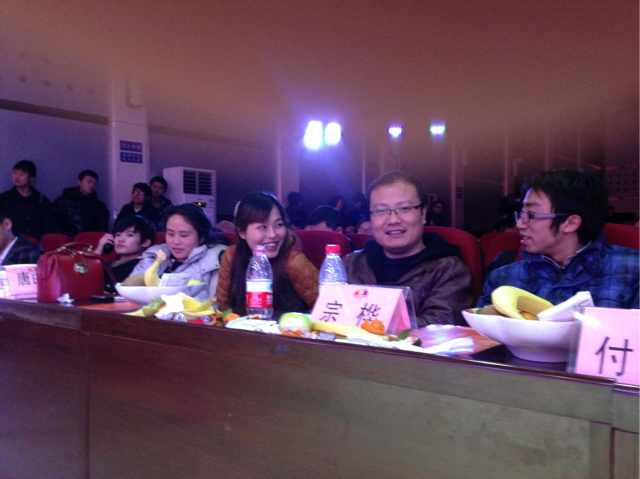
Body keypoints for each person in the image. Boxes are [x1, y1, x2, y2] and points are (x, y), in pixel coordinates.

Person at [478, 169, 639, 309]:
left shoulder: (631, 271)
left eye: (531, 215)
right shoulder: (505, 276)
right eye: (521, 214)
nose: (520, 224)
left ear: (570, 223)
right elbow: (480, 332)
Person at [344, 172, 473, 326]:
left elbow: (439, 326)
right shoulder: (352, 264)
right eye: (381, 210)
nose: (393, 220)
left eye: (404, 208)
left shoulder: (448, 270)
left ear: (423, 214)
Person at [216, 192, 318, 315]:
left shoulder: (294, 262)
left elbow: (325, 308)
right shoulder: (232, 256)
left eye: (279, 225)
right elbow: (223, 307)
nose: (272, 234)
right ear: (242, 232)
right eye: (262, 227)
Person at [125, 204, 227, 300]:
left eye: (184, 235)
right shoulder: (156, 254)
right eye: (170, 234)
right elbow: (128, 288)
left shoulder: (214, 261)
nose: (175, 241)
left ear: (202, 237)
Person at [94, 215, 155, 290]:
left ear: (145, 242)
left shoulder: (141, 266)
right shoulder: (109, 263)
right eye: (118, 235)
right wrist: (99, 249)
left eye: (130, 235)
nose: (120, 239)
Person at [0, 160, 54, 239]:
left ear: (31, 178)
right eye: (14, 173)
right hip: (12, 241)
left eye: (22, 174)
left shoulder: (41, 200)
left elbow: (48, 226)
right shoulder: (4, 198)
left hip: (35, 242)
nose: (17, 177)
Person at [54, 169, 109, 235]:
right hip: (67, 239)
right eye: (89, 182)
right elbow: (56, 224)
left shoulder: (99, 206)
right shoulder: (63, 202)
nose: (92, 185)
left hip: (90, 239)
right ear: (79, 182)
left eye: (95, 183)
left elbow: (102, 229)